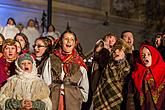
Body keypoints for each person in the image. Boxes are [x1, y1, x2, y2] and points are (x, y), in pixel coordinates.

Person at [50, 29, 89, 110]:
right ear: (61, 42)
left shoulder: (79, 62)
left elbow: (84, 85)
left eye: (72, 39)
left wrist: (78, 96)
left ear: (75, 43)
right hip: (53, 99)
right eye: (66, 39)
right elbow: (45, 80)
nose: (69, 41)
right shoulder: (52, 59)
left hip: (73, 102)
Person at [93, 38, 131, 109]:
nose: (116, 52)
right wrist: (103, 44)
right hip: (102, 102)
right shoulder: (106, 64)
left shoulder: (129, 68)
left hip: (121, 104)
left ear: (124, 52)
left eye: (119, 50)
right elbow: (97, 54)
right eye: (113, 51)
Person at [132, 44, 165, 110]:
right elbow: (130, 97)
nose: (145, 57)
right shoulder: (137, 73)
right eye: (143, 55)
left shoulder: (163, 71)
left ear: (154, 55)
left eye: (148, 54)